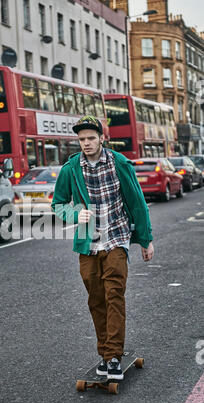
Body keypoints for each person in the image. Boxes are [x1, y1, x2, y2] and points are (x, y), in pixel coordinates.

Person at [51, 115, 154, 380]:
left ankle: (113, 358)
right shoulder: (71, 168)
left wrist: (145, 239)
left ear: (101, 139)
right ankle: (105, 354)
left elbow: (137, 202)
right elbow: (58, 204)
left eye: (91, 138)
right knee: (96, 300)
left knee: (114, 295)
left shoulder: (119, 163)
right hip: (89, 244)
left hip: (117, 238)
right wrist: (76, 214)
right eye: (81, 139)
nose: (86, 143)